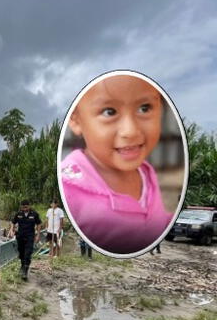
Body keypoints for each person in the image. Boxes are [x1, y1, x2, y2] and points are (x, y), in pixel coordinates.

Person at [61, 74, 173, 254]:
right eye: (109, 112)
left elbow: (154, 220)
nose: (130, 131)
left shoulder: (147, 173)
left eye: (145, 108)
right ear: (75, 119)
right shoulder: (69, 187)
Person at [12, 200, 41, 281]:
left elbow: (39, 224)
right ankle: (22, 265)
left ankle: (25, 271)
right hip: (20, 236)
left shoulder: (34, 214)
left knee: (27, 254)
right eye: (23, 207)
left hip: (30, 237)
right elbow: (13, 222)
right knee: (21, 253)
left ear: (29, 206)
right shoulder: (18, 214)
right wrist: (12, 229)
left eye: (26, 207)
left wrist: (38, 235)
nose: (25, 208)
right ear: (21, 207)